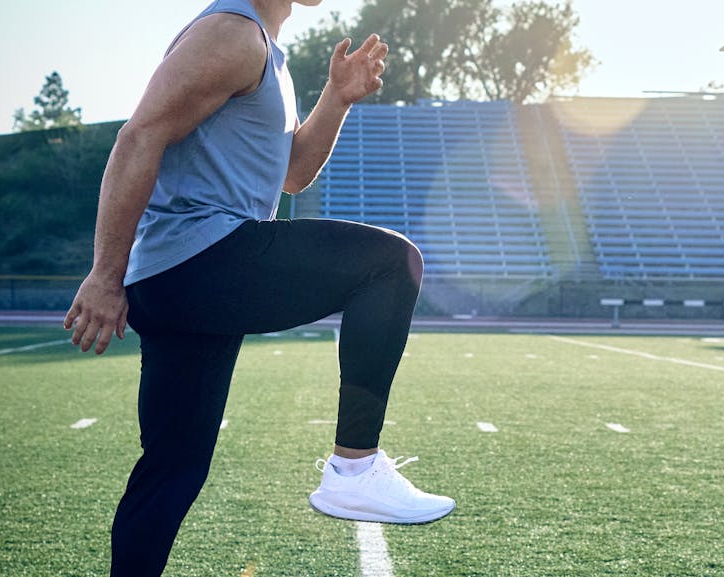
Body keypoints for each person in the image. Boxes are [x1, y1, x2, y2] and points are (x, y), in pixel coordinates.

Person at [60, 1, 453, 574]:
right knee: (392, 264)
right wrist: (103, 274)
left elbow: (292, 174)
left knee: (174, 467)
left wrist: (337, 97)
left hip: (184, 276)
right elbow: (138, 136)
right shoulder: (234, 34)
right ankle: (355, 467)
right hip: (199, 259)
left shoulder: (265, 51)